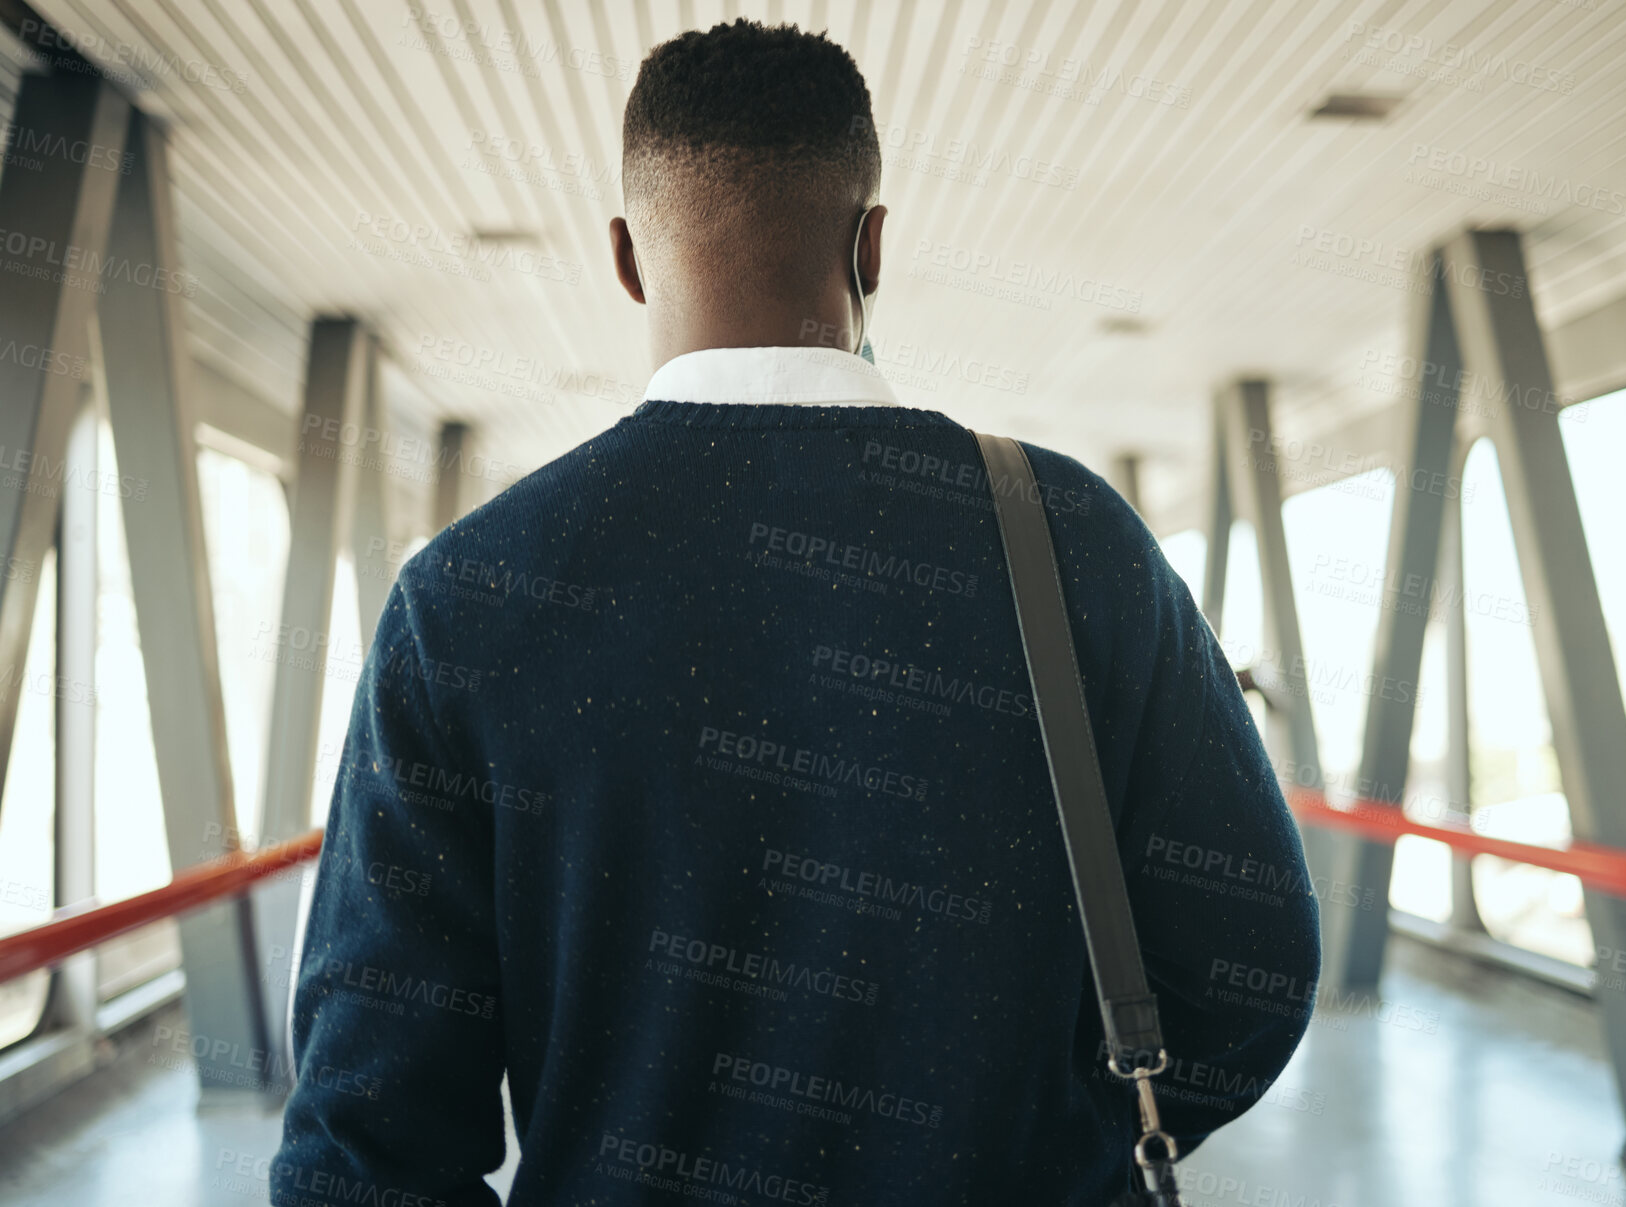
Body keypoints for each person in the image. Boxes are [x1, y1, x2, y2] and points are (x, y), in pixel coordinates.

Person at [274, 18, 1320, 1205]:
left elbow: (366, 1140)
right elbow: (1251, 968)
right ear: (872, 247)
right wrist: (1043, 1142)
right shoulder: (1071, 537)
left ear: (625, 258)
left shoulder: (464, 595)